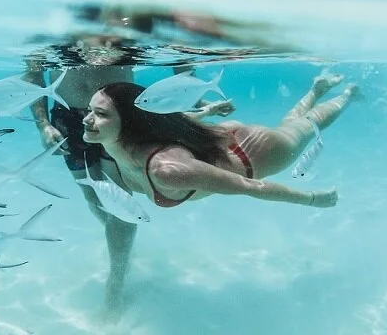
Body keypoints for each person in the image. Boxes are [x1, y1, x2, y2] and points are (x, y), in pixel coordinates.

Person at [23, 30, 234, 320]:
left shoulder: (123, 34)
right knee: (93, 198)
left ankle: (116, 283)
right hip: (69, 118)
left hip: (121, 119)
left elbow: (180, 58)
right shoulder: (57, 35)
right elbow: (33, 74)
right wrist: (42, 124)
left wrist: (194, 98)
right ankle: (119, 242)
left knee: (121, 206)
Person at [81, 74, 359, 210]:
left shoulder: (165, 169)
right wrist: (208, 112)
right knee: (291, 126)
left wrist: (312, 199)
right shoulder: (114, 146)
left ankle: (347, 95)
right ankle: (317, 89)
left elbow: (250, 186)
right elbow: (169, 120)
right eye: (90, 110)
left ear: (129, 122)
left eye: (100, 114)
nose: (86, 120)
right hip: (220, 138)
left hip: (254, 153)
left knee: (306, 127)